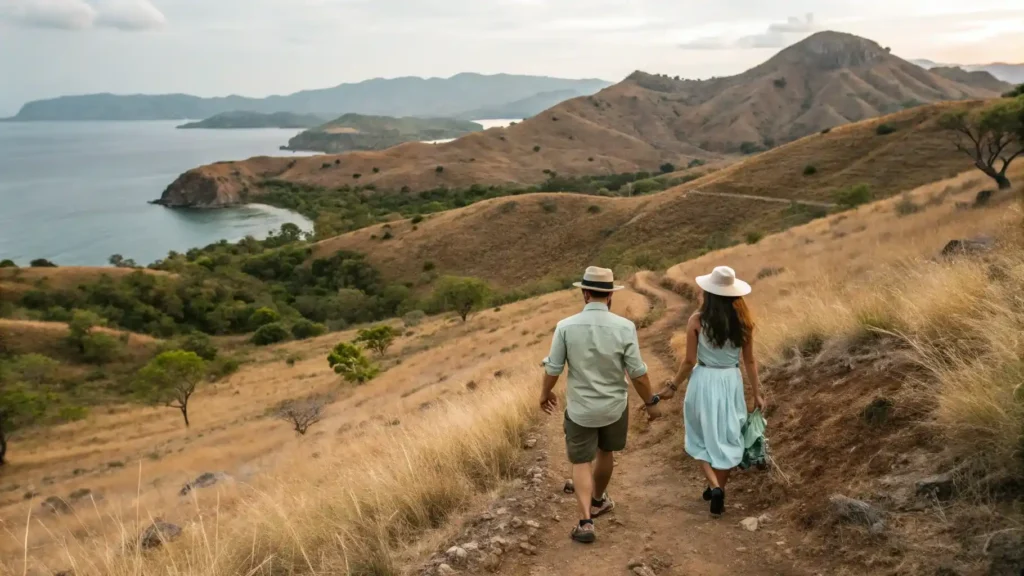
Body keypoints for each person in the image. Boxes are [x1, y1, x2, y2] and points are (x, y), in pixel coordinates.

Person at [540, 266, 662, 544]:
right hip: (614, 407)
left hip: (581, 408)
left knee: (581, 461)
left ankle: (585, 522)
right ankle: (598, 500)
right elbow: (638, 373)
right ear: (609, 297)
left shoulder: (565, 327)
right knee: (606, 452)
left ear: (584, 294)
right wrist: (650, 402)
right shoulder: (625, 327)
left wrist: (544, 393)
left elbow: (554, 368)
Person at [654, 266, 765, 517]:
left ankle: (713, 486)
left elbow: (689, 361)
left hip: (703, 380)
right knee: (727, 437)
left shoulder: (697, 321)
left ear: (710, 293)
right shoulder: (745, 323)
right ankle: (720, 489)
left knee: (700, 434)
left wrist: (672, 386)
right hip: (731, 380)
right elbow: (749, 361)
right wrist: (756, 393)